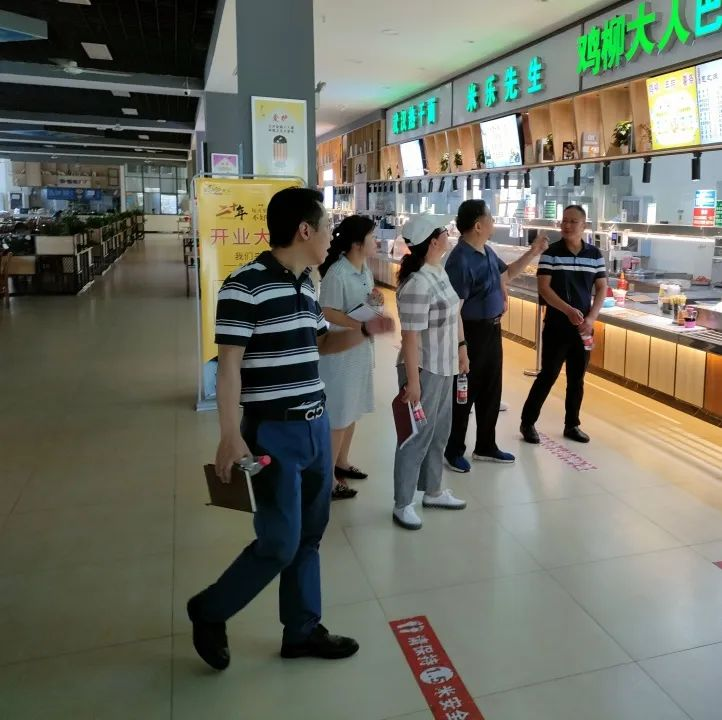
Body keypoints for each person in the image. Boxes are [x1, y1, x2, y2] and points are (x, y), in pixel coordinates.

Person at [186, 187, 394, 671]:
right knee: (280, 541)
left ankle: (301, 629)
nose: (329, 237)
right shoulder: (244, 286)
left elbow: (319, 344)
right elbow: (229, 366)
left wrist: (365, 330)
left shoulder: (306, 285)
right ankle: (209, 609)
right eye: (325, 228)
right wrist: (230, 434)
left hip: (316, 426)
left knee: (310, 534)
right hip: (272, 433)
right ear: (304, 230)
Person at [443, 200, 549, 472]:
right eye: (490, 217)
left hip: (492, 330)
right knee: (464, 393)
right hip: (471, 333)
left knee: (491, 389)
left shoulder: (486, 252)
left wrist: (533, 252)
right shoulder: (460, 261)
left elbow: (507, 274)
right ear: (478, 225)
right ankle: (454, 449)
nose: (493, 222)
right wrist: (461, 347)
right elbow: (454, 311)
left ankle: (486, 445)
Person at [393, 215, 469, 530]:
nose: (449, 234)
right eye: (444, 232)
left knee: (439, 432)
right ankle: (402, 503)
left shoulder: (438, 270)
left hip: (445, 365)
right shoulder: (417, 284)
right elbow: (410, 338)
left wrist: (462, 348)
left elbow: (455, 313)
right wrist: (413, 383)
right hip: (423, 369)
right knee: (416, 437)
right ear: (433, 242)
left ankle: (433, 490)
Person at [520, 205, 607, 444]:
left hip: (583, 328)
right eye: (564, 221)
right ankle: (527, 422)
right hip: (557, 325)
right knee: (548, 374)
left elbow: (601, 288)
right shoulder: (552, 253)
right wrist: (567, 310)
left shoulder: (595, 255)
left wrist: (591, 319)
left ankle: (572, 424)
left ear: (584, 226)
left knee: (576, 379)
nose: (567, 226)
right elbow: (544, 288)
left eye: (573, 221)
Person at [317, 215, 382, 500]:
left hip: (360, 350)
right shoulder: (338, 273)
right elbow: (327, 310)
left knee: (352, 410)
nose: (376, 241)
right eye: (372, 237)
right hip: (341, 354)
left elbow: (362, 303)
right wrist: (358, 324)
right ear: (357, 243)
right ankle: (328, 480)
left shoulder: (364, 269)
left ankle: (342, 462)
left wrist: (374, 303)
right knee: (339, 416)